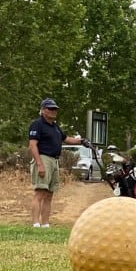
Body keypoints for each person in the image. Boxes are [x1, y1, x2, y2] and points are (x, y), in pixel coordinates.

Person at [28, 97, 88, 227]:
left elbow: (66, 139)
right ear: (43, 110)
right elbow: (33, 145)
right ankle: (35, 223)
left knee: (49, 194)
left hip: (54, 160)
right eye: (51, 109)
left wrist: (82, 141)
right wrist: (39, 164)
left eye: (55, 109)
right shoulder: (37, 124)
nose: (54, 111)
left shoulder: (55, 127)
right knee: (40, 192)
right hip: (43, 158)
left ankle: (45, 224)